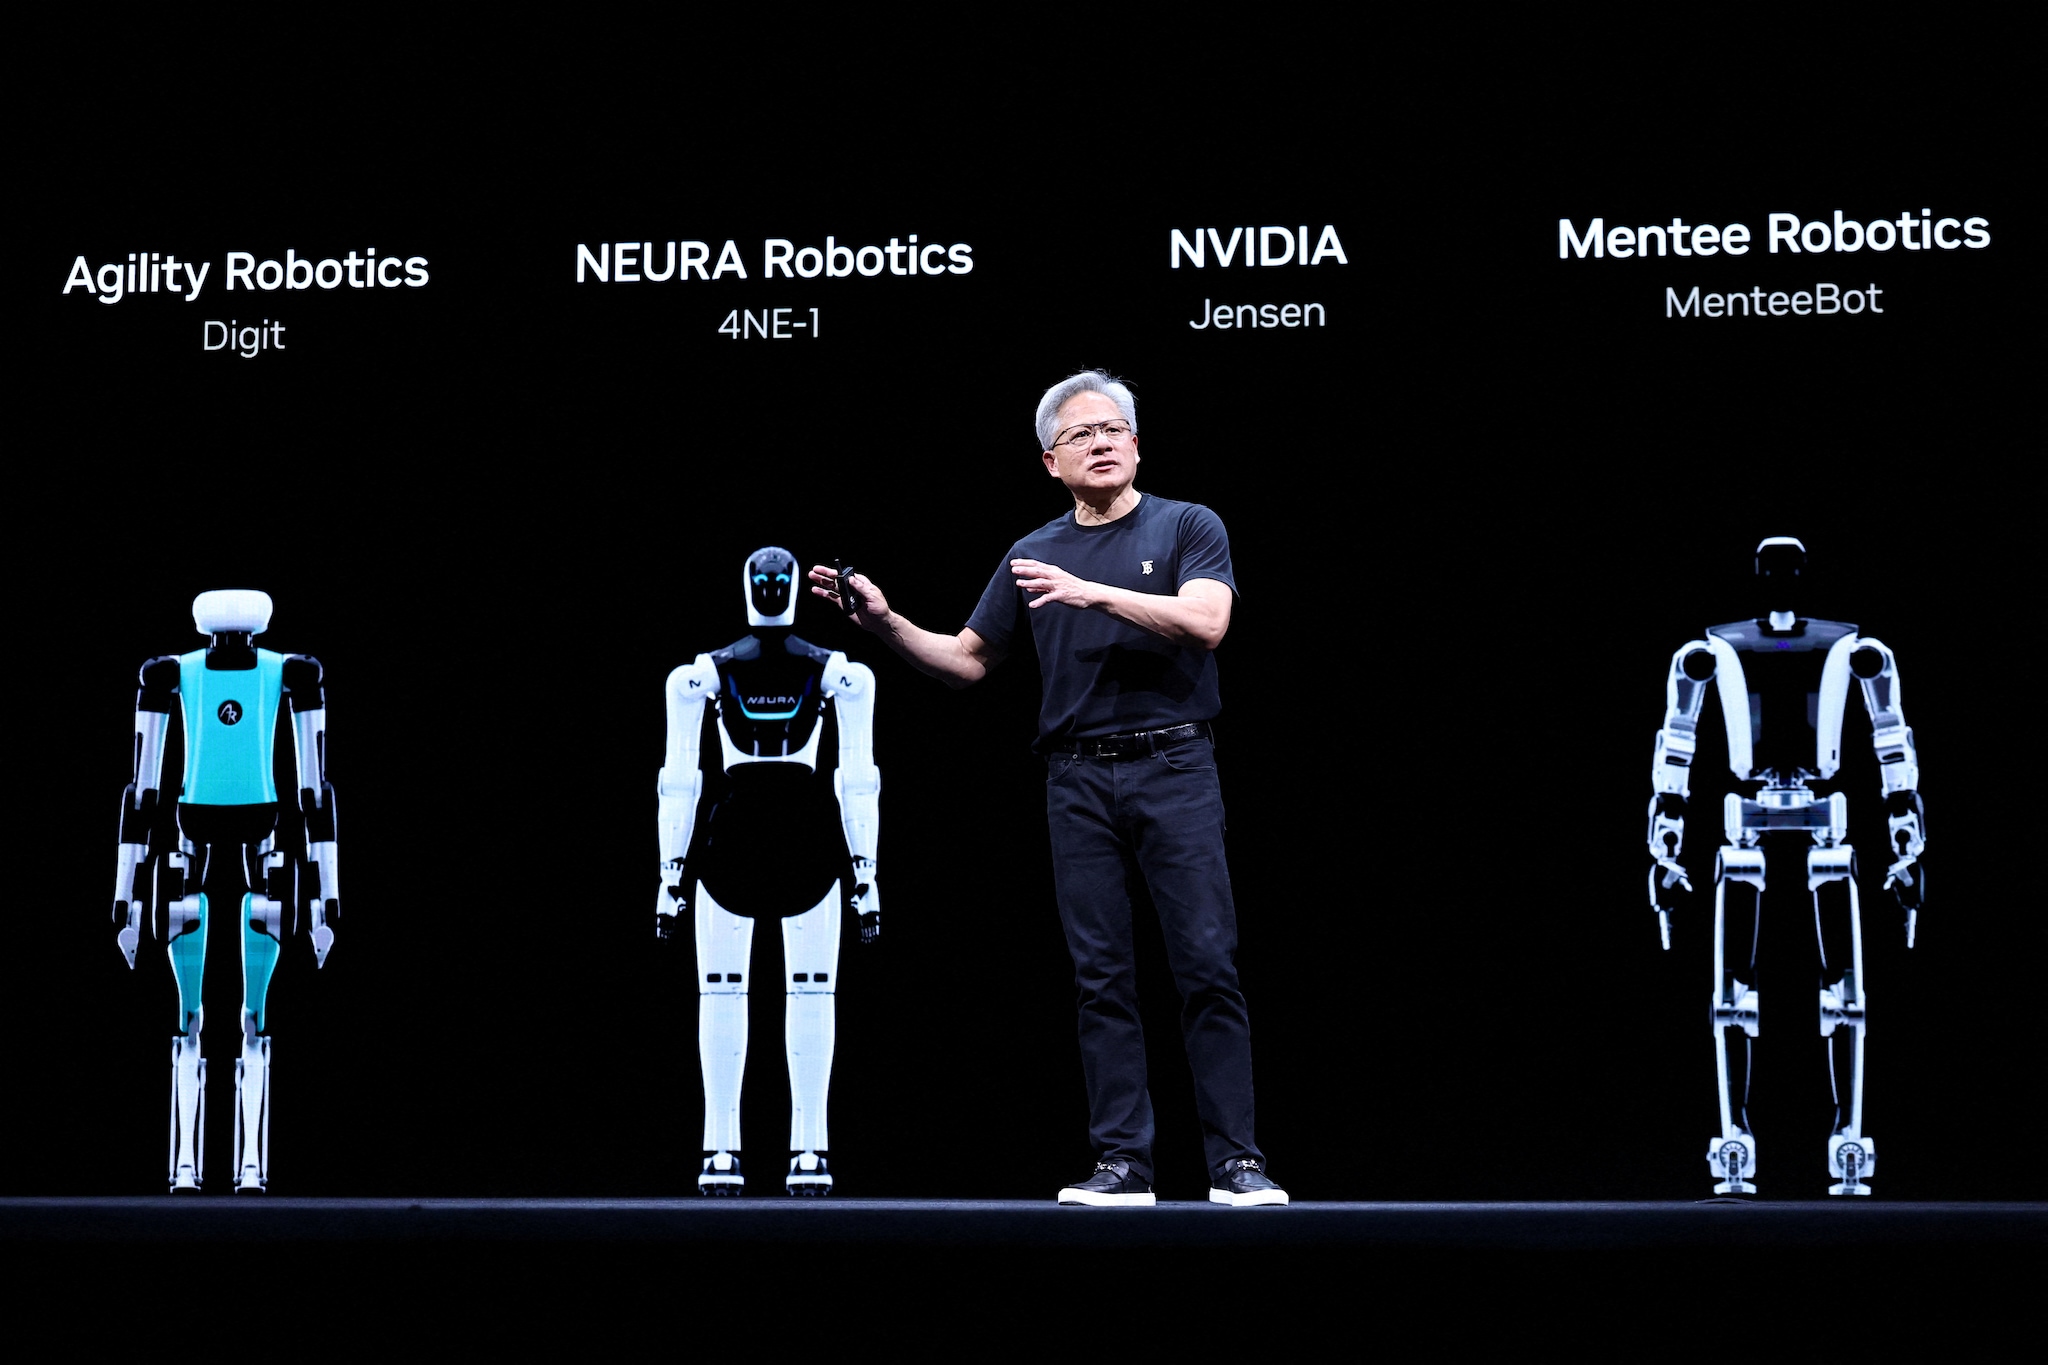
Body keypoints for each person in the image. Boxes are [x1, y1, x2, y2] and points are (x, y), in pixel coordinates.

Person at [806, 369, 1285, 1208]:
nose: (1100, 443)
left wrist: (1092, 591)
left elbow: (1208, 621)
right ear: (1050, 462)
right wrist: (884, 621)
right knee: (1101, 975)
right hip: (1077, 778)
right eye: (1080, 434)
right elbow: (966, 660)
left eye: (1113, 429)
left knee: (1207, 964)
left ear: (1137, 445)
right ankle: (1123, 1164)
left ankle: (1236, 1163)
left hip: (1174, 766)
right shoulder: (1033, 551)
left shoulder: (1187, 524)